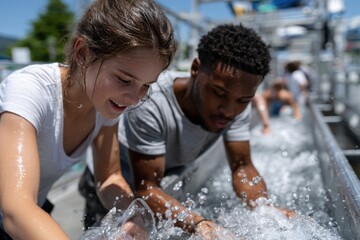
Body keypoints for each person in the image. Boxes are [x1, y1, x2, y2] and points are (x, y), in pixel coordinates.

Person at [0, 0, 176, 239]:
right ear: (82, 53)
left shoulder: (104, 104)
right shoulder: (29, 91)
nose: (134, 98)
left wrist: (131, 216)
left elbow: (109, 176)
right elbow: (16, 208)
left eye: (146, 85)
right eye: (124, 80)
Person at [118, 24, 294, 239]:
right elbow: (146, 188)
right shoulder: (150, 101)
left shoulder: (239, 107)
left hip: (170, 173)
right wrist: (199, 223)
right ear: (195, 69)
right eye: (219, 93)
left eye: (242, 100)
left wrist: (264, 210)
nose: (229, 110)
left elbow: (242, 166)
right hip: (117, 183)